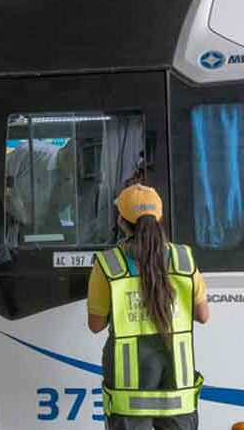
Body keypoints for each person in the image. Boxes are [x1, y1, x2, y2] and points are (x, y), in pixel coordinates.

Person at [88, 184, 209, 430]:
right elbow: (203, 315)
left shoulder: (108, 264)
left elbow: (96, 325)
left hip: (128, 379)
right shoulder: (183, 260)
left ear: (121, 221)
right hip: (177, 374)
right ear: (160, 217)